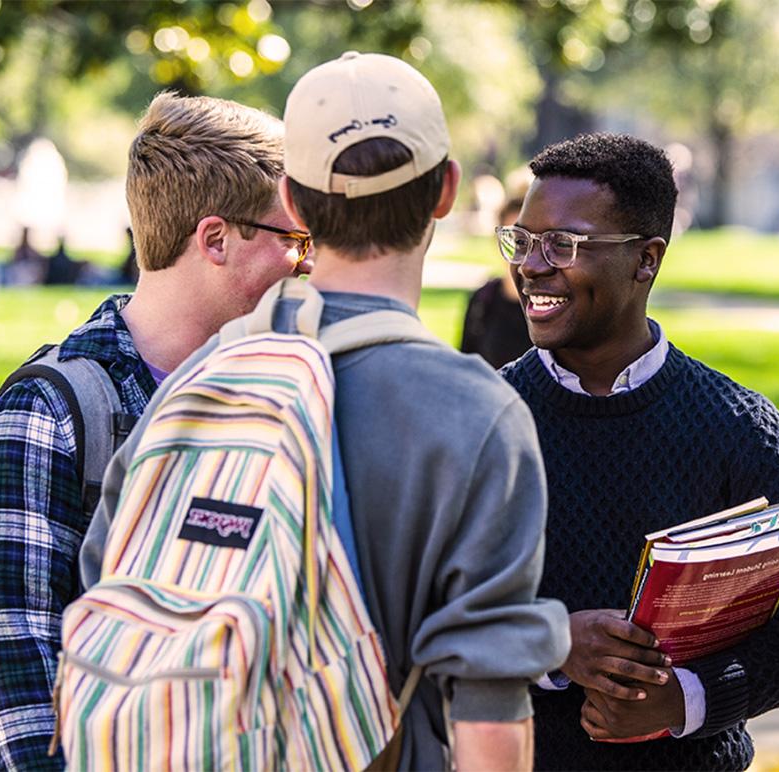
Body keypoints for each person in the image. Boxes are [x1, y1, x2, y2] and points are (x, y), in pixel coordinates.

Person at [0, 92, 309, 772]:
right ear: (215, 240)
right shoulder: (50, 409)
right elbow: (11, 669)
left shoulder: (279, 389)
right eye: (293, 238)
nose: (308, 262)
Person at [498, 132, 779, 770]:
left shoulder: (738, 425)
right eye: (522, 240)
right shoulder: (482, 417)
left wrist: (686, 700)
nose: (531, 265)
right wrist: (550, 643)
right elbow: (411, 601)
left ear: (647, 259)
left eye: (564, 244)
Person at [282, 52, 570, 769]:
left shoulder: (200, 383)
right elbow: (488, 715)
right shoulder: (477, 416)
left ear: (290, 202)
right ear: (446, 189)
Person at [459, 195, 532, 368]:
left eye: (527, 240)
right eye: (514, 240)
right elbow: (466, 366)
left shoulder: (551, 306)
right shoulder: (483, 300)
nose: (520, 251)